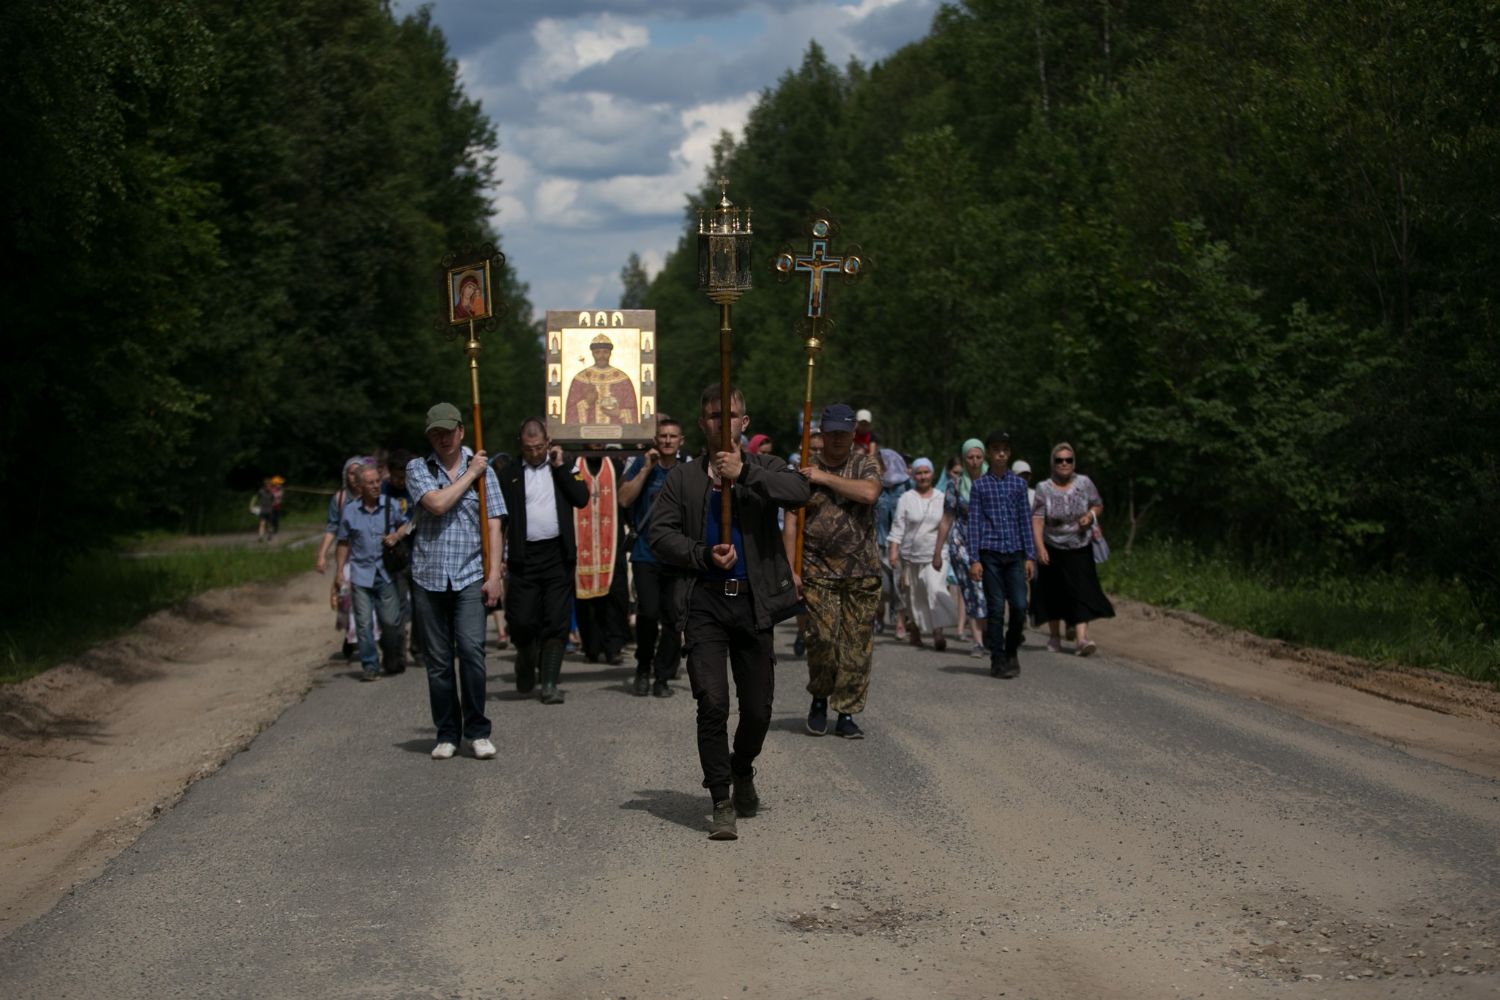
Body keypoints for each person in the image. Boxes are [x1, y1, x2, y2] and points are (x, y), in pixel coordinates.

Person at [648, 383, 810, 840]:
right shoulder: (684, 478)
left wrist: (744, 473)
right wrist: (700, 554)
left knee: (758, 709)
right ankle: (721, 798)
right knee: (713, 702)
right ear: (703, 423)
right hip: (705, 601)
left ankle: (742, 769)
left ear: (745, 422)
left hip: (754, 601)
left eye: (732, 415)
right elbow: (659, 534)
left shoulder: (765, 467)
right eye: (715, 416)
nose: (724, 423)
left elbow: (799, 491)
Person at [405, 403, 505, 760]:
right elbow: (436, 504)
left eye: (448, 432)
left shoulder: (484, 470)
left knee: (472, 652)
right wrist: (470, 473)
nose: (443, 439)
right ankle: (447, 732)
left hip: (470, 574)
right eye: (436, 434)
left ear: (461, 430)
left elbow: (494, 523)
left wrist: (494, 575)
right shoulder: (418, 468)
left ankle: (478, 730)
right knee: (438, 661)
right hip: (428, 575)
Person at [785, 403, 881, 740]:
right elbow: (792, 520)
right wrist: (791, 570)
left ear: (853, 433)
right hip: (817, 570)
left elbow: (869, 493)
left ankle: (846, 712)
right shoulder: (803, 468)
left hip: (862, 570)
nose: (838, 438)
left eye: (843, 432)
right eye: (832, 432)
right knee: (822, 640)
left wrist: (823, 478)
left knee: (856, 646)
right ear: (821, 434)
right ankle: (819, 699)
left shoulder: (865, 463)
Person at [496, 418, 589, 704]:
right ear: (520, 445)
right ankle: (525, 658)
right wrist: (497, 558)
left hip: (557, 555)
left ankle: (549, 683)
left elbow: (581, 497)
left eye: (539, 447)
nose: (535, 453)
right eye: (529, 448)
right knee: (522, 620)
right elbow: (498, 519)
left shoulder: (565, 466)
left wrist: (560, 467)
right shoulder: (509, 473)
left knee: (556, 620)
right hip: (523, 557)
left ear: (548, 442)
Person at [618, 415, 686, 697]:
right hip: (645, 554)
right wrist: (646, 468)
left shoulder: (687, 471)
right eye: (663, 436)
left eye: (673, 436)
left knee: (673, 618)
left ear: (681, 441)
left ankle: (663, 676)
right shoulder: (640, 465)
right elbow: (624, 499)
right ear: (655, 440)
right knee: (647, 612)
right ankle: (643, 667)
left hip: (677, 556)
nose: (668, 441)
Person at [1031, 442, 1115, 656]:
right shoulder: (1043, 488)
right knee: (1053, 592)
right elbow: (1038, 520)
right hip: (1053, 545)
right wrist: (1039, 547)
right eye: (1059, 460)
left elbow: (1098, 504)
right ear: (1053, 463)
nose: (1064, 464)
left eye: (1068, 460)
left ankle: (1081, 639)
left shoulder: (1084, 483)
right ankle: (1054, 636)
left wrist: (1090, 515)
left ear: (1074, 462)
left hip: (1080, 545)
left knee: (1082, 591)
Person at [967, 431, 1036, 679]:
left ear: (1009, 453)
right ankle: (997, 659)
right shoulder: (979, 486)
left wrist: (1030, 556)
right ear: (989, 453)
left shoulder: (1018, 485)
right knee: (996, 608)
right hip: (990, 554)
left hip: (1015, 552)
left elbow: (1025, 521)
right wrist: (974, 559)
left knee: (1019, 605)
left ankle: (1011, 649)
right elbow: (974, 524)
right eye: (996, 449)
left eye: (1005, 449)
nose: (1001, 454)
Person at [334, 466, 409, 680]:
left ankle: (390, 654)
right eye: (370, 483)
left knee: (391, 622)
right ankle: (370, 665)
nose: (376, 486)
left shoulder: (390, 505)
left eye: (377, 481)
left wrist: (396, 535)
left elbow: (406, 525)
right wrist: (339, 572)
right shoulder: (350, 511)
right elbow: (343, 542)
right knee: (363, 623)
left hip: (386, 573)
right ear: (360, 486)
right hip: (361, 574)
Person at [887, 458, 955, 650]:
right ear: (913, 475)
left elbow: (948, 525)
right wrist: (893, 551)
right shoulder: (906, 498)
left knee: (935, 589)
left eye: (926, 472)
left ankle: (938, 631)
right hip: (910, 556)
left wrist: (943, 551)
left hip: (936, 554)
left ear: (932, 474)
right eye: (919, 473)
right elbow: (898, 525)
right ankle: (915, 630)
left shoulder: (941, 497)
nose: (923, 476)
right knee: (914, 597)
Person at [573, 445, 630, 665]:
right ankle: (591, 647)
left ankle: (613, 646)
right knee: (586, 601)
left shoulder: (615, 466)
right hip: (582, 544)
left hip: (611, 543)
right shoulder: (574, 466)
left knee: (615, 598)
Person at [932, 441, 988, 657]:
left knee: (988, 590)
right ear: (964, 459)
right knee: (972, 589)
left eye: (978, 457)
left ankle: (989, 633)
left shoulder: (993, 482)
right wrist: (938, 551)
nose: (974, 462)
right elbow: (947, 518)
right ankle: (978, 641)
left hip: (988, 541)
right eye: (970, 457)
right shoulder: (954, 485)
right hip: (961, 542)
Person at [873, 447, 910, 638]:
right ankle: (879, 615)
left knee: (899, 585)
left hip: (901, 543)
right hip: (879, 542)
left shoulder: (906, 485)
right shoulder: (874, 484)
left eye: (881, 465)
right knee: (882, 585)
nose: (879, 468)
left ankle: (900, 622)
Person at [565, 334, 639, 425]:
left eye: (605, 352)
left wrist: (619, 413)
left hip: (616, 432)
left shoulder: (623, 379)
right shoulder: (580, 379)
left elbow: (633, 410)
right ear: (592, 353)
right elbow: (570, 413)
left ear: (610, 353)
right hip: (588, 432)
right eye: (597, 352)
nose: (601, 356)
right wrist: (586, 403)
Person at [254, 478, 275, 543]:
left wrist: (271, 505)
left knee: (269, 524)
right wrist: (254, 506)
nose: (269, 487)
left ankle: (270, 534)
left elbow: (273, 500)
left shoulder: (271, 493)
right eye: (267, 485)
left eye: (270, 485)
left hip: (269, 511)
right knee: (262, 524)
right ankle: (261, 537)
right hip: (262, 511)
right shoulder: (260, 492)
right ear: (264, 486)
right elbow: (256, 498)